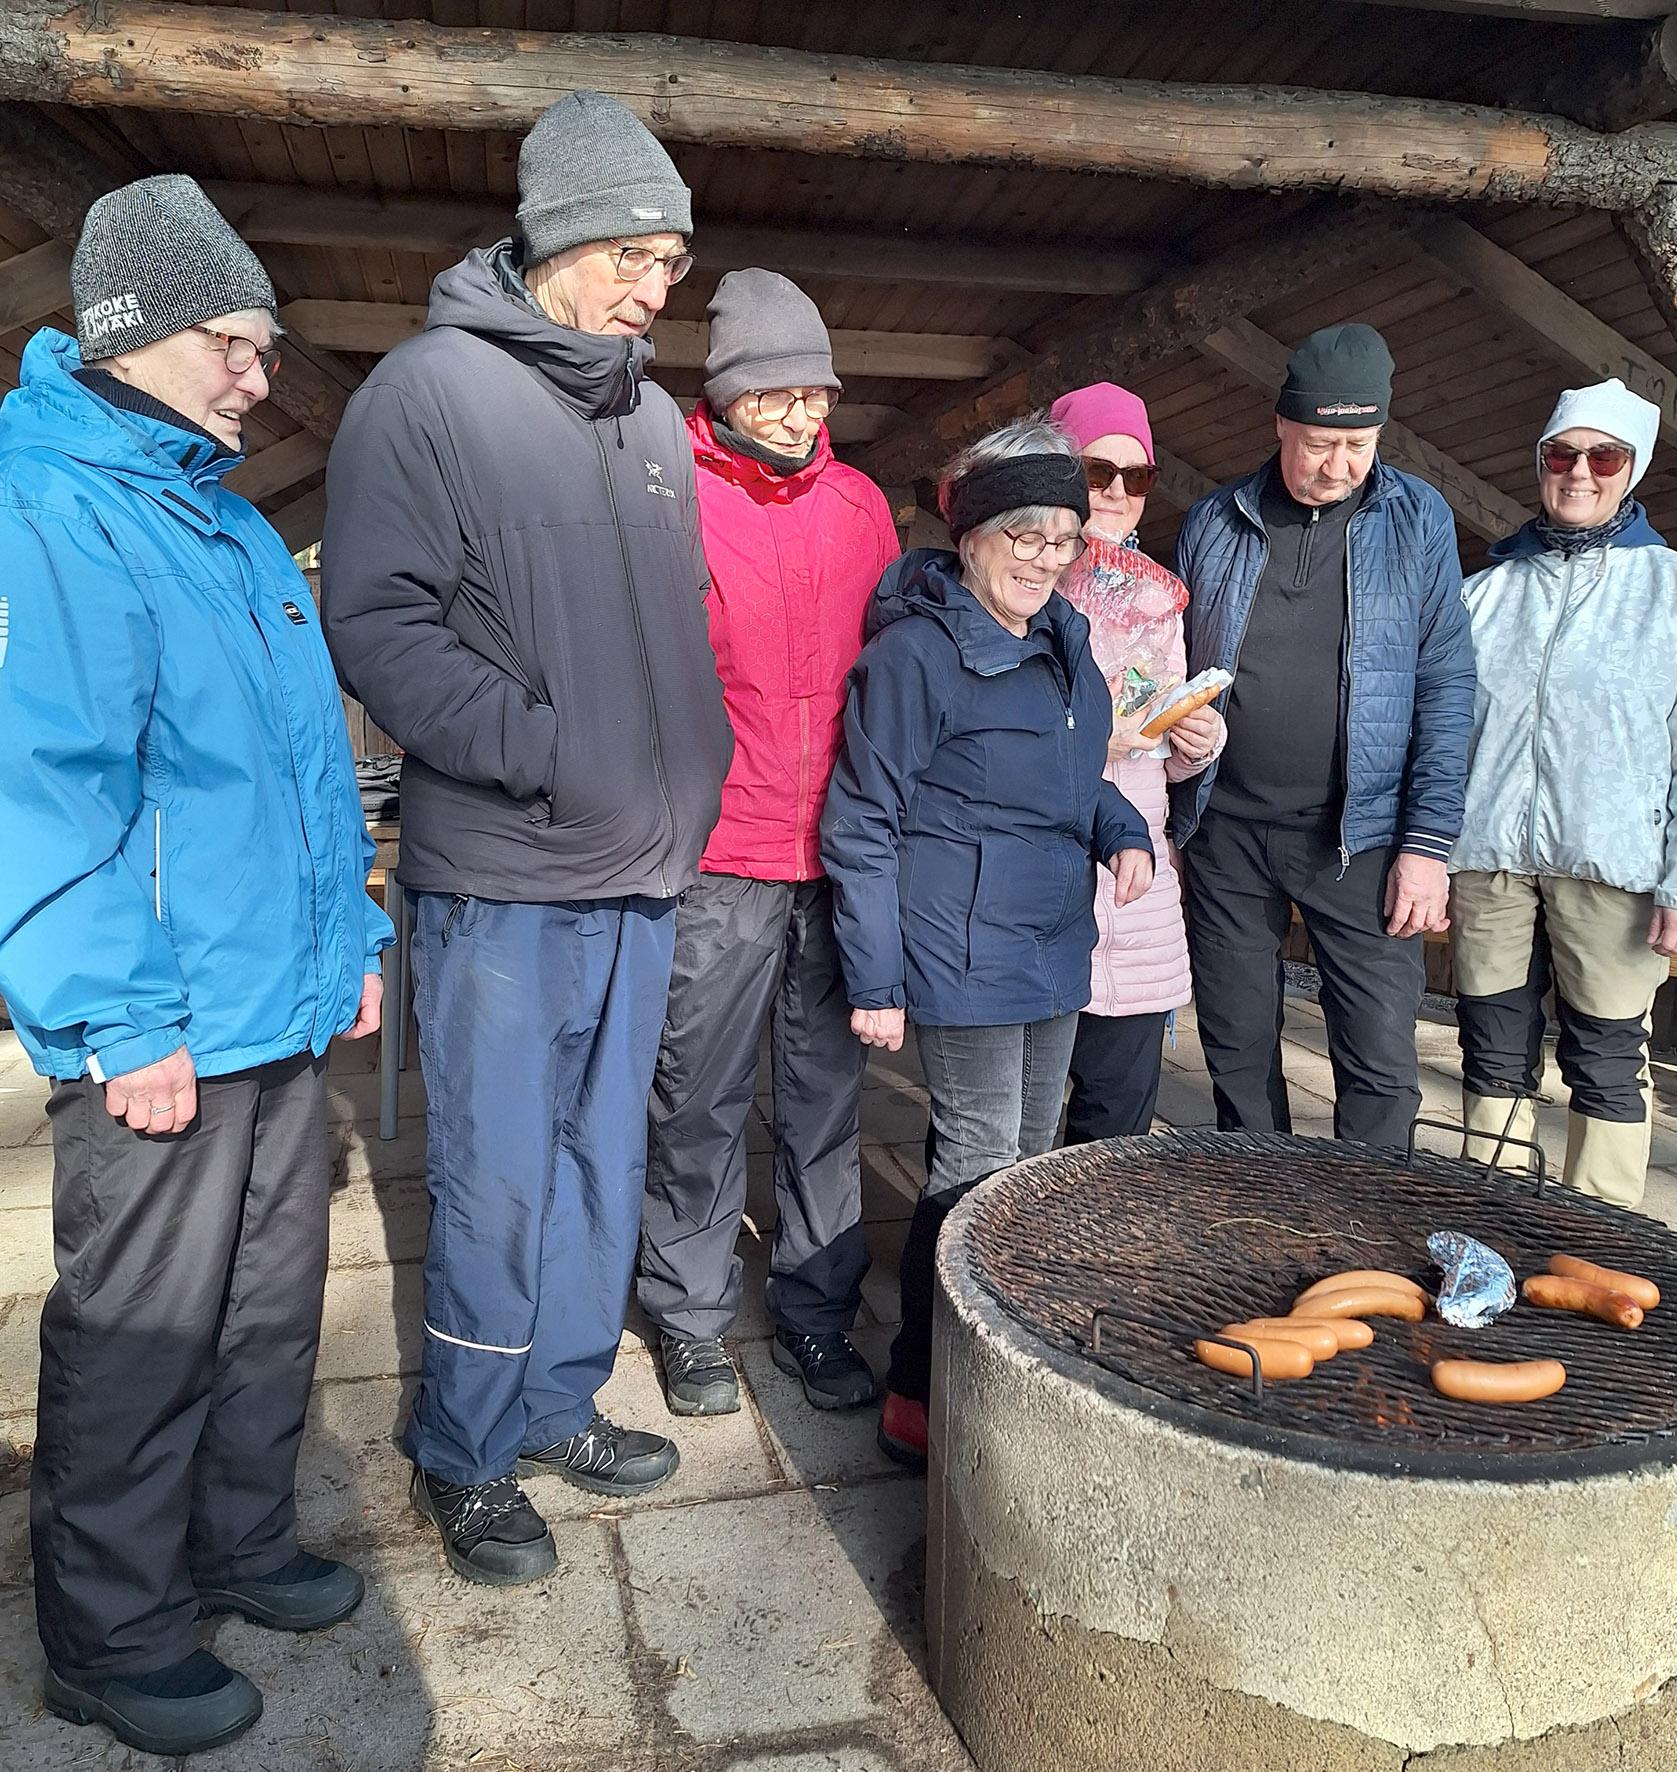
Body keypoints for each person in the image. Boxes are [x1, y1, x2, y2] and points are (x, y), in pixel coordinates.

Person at [0, 176, 391, 1757]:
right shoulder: (51, 508)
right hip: (160, 1021)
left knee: (266, 1310)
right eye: (230, 342)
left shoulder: (228, 523)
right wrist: (115, 1012)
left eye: (262, 345)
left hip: (275, 1003)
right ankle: (109, 1637)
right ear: (130, 334)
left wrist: (354, 940)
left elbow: (307, 771)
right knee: (141, 1338)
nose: (256, 375)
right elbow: (45, 789)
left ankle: (237, 1545)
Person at [321, 91, 733, 1586]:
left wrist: (689, 764)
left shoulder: (651, 420)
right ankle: (465, 1448)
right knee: (499, 1174)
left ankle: (556, 1404)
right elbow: (377, 622)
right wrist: (544, 749)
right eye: (633, 257)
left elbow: (676, 627)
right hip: (507, 873)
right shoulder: (426, 395)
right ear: (557, 242)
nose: (655, 289)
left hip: (641, 871)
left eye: (671, 263)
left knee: (602, 1159)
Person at [821, 417, 1154, 1469]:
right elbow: (861, 819)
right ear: (969, 534)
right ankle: (920, 1391)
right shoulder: (915, 655)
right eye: (1024, 534)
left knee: (1029, 1165)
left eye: (1063, 538)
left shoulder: (1065, 641)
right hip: (960, 946)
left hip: (1052, 942)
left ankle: (1004, 1359)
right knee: (973, 1166)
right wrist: (875, 977)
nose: (1045, 559)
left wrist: (1122, 828)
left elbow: (1070, 776)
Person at [637, 270, 899, 1416]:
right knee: (695, 1094)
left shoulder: (861, 506)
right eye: (777, 392)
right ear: (727, 394)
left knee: (824, 1096)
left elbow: (890, 672)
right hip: (720, 852)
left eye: (816, 391)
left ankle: (815, 1310)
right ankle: (689, 1315)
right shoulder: (672, 494)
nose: (802, 413)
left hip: (835, 856)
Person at [1172, 323, 1475, 1150]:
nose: (1338, 465)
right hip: (1226, 830)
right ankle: (1261, 1197)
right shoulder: (1214, 519)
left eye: (1358, 446)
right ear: (1281, 425)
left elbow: (1447, 684)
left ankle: (1368, 1213)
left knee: (1378, 1058)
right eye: (1319, 443)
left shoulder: (1417, 518)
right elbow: (1173, 669)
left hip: (1361, 835)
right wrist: (1175, 758)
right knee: (1236, 1046)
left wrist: (1428, 845)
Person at [1450, 381, 1677, 1209]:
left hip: (1613, 864)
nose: (1579, 472)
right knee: (1491, 1046)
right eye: (1561, 454)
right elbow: (1442, 734)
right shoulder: (1485, 592)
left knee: (1608, 1055)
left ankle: (1599, 1234)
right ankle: (1494, 1218)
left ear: (1633, 468)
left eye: (1604, 457)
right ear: (1540, 463)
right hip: (1490, 861)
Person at [1049, 382, 1224, 1142]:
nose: (1117, 492)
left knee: (1117, 1122)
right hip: (1046, 875)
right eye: (1097, 471)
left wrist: (1194, 743)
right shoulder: (1019, 585)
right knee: (1009, 1122)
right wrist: (1094, 736)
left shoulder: (1158, 602)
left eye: (1137, 475)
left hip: (1136, 888)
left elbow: (1158, 750)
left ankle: (1091, 1229)